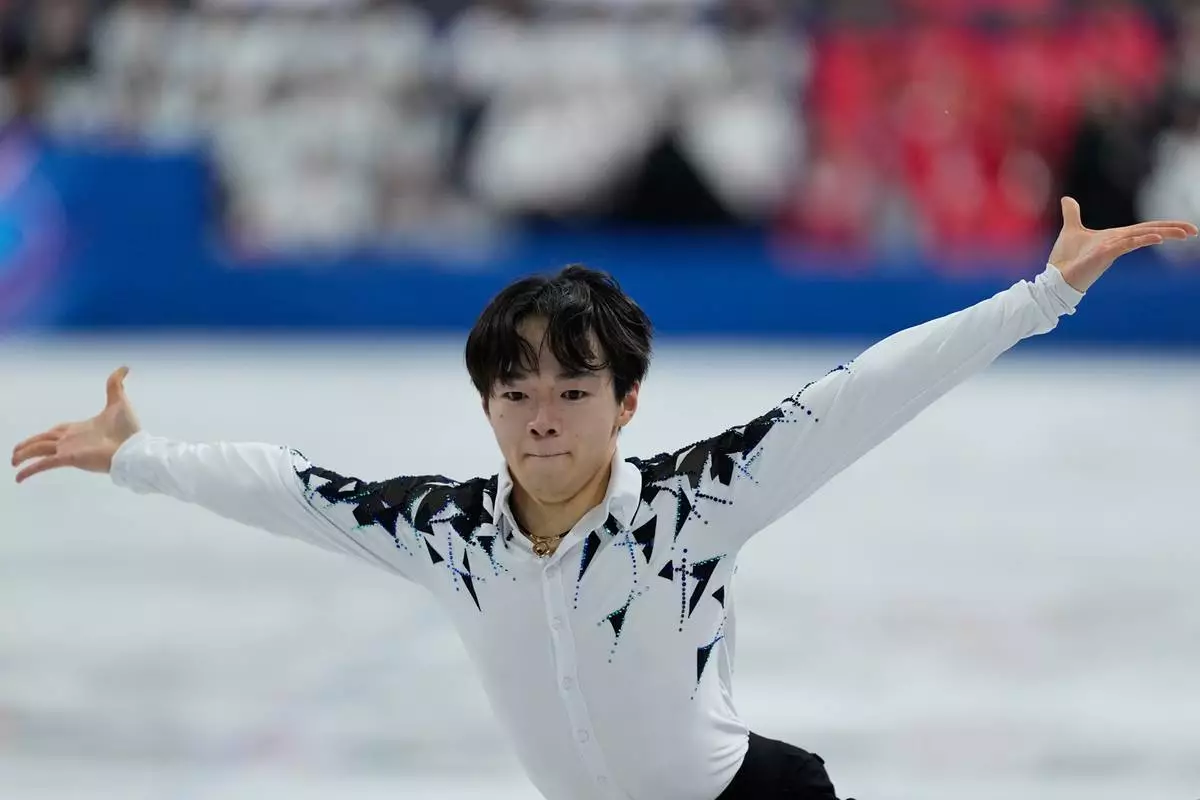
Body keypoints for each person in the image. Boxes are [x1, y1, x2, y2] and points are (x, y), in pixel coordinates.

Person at [10, 198, 1198, 800]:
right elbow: (287, 485)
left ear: (625, 402)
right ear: (484, 403)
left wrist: (1042, 296)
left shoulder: (693, 506)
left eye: (573, 387)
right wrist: (136, 452)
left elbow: (861, 395)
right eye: (516, 388)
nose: (542, 413)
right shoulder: (448, 531)